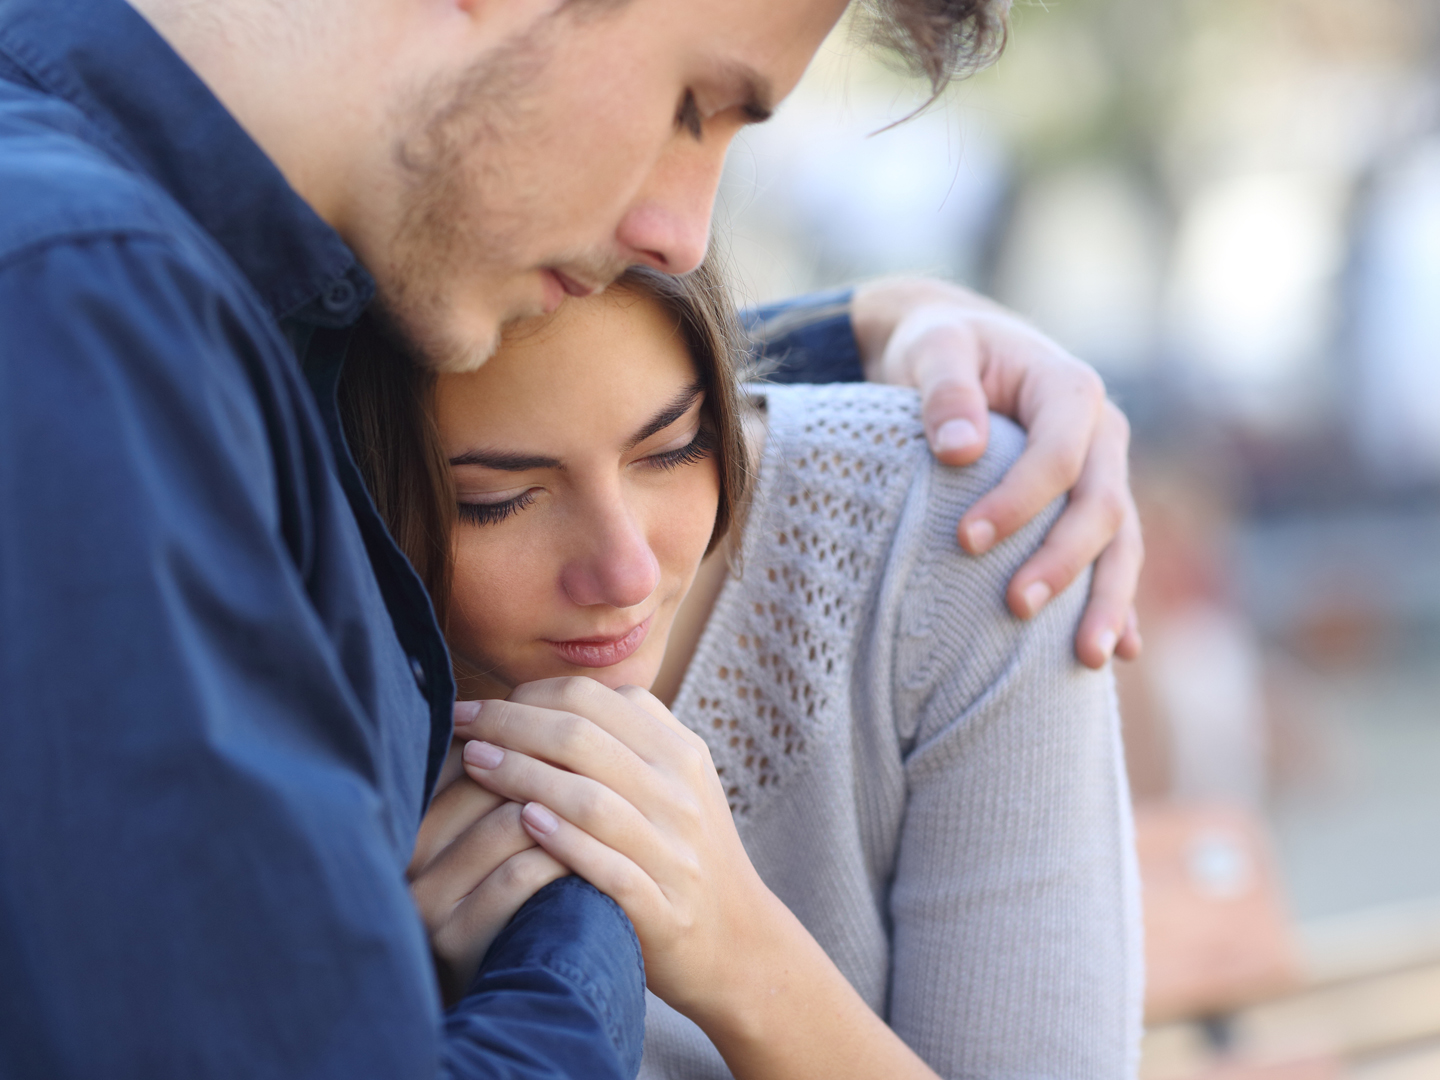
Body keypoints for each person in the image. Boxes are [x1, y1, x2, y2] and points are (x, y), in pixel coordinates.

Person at [0, 0, 1141, 1075]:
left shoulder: (152, 294)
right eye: (692, 105)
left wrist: (847, 332)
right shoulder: (81, 319)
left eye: (674, 443)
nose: (679, 233)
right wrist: (583, 897)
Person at [346, 262, 1140, 1079]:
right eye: (498, 499)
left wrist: (741, 957)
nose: (627, 575)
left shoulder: (957, 539)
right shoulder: (302, 693)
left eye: (671, 447)